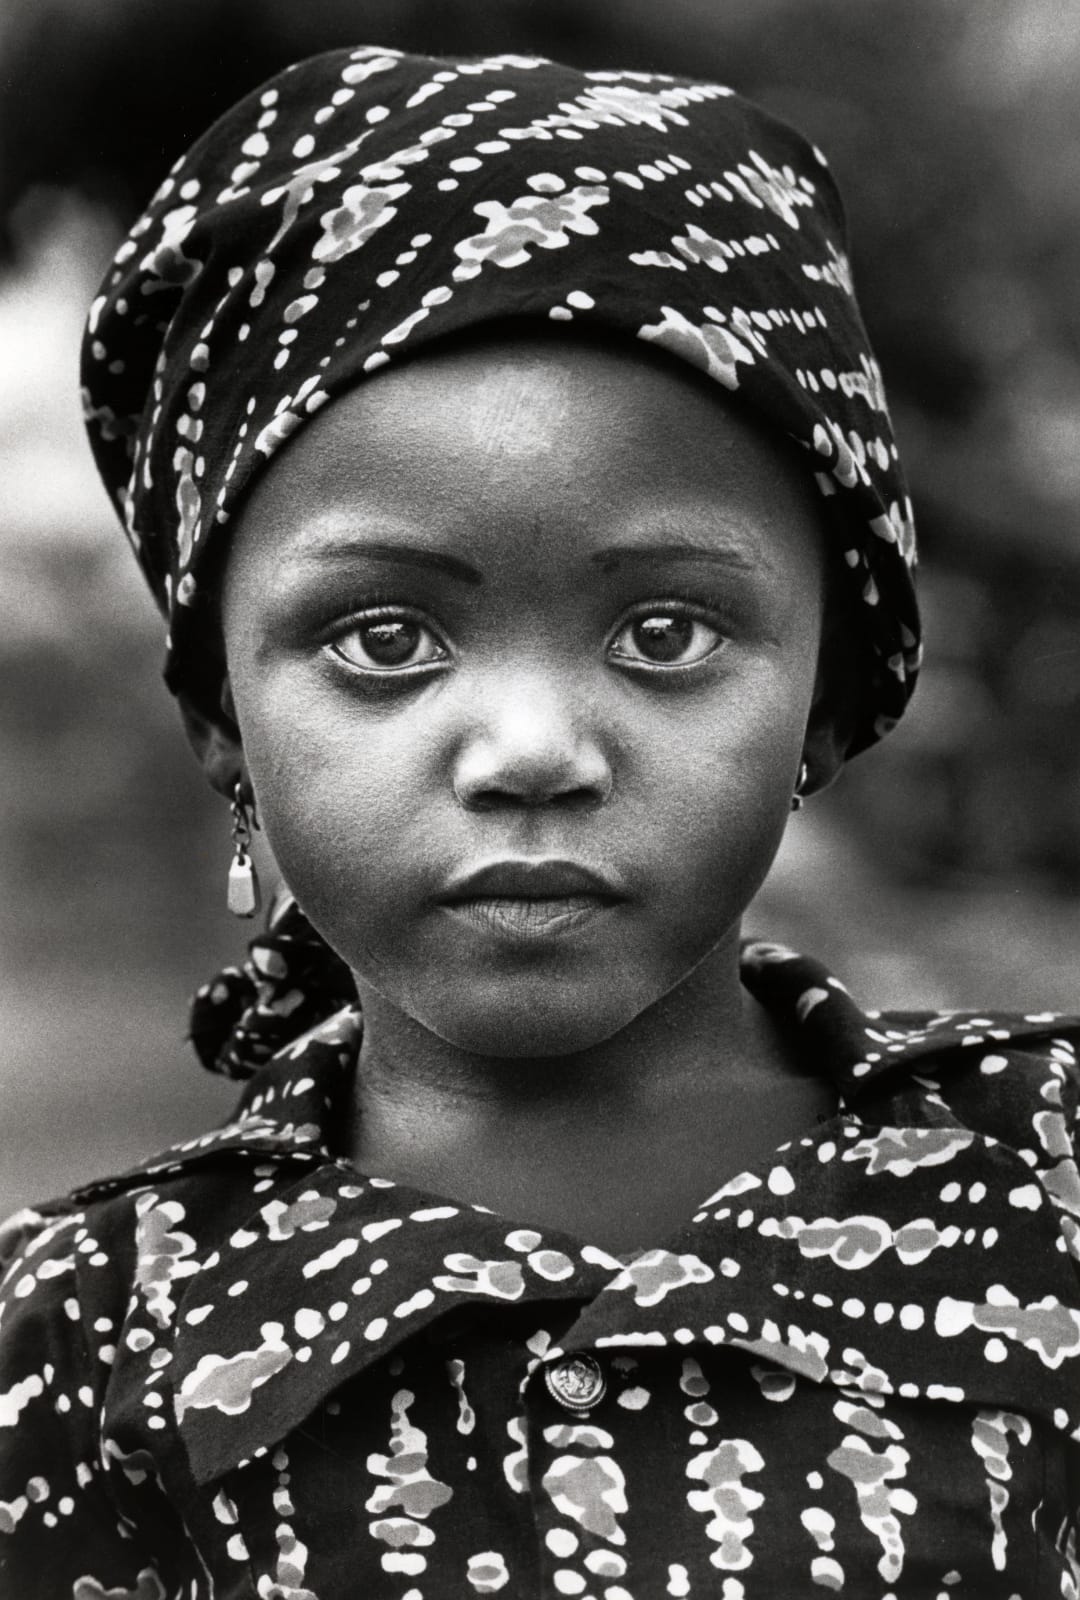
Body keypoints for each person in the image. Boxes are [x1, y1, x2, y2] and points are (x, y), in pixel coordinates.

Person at [1, 43, 1077, 1599]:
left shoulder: (1045, 1174)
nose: (529, 750)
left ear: (834, 697)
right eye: (385, 640)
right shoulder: (83, 1345)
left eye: (665, 635)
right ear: (223, 726)